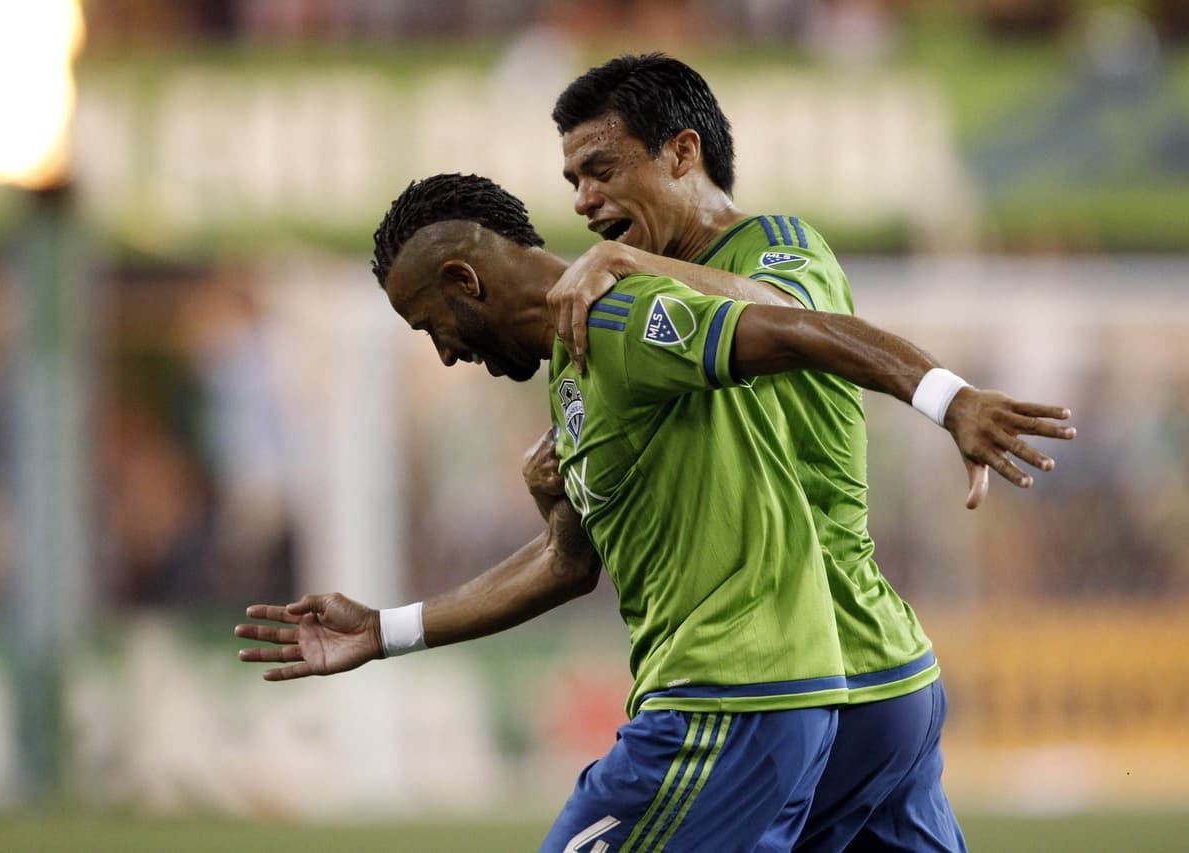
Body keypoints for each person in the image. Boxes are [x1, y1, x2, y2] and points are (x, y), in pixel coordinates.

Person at [236, 173, 1074, 852]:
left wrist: (949, 397)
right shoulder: (570, 371)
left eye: (433, 325)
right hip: (787, 697)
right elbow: (570, 566)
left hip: (726, 702)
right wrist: (387, 628)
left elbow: (797, 329)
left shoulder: (622, 316)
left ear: (467, 280)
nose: (444, 351)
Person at [546, 52, 1025, 850]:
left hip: (812, 676)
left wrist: (946, 398)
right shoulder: (659, 310)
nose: (585, 199)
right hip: (880, 674)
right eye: (573, 182)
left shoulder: (777, 245)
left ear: (683, 152)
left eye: (600, 169)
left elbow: (788, 314)